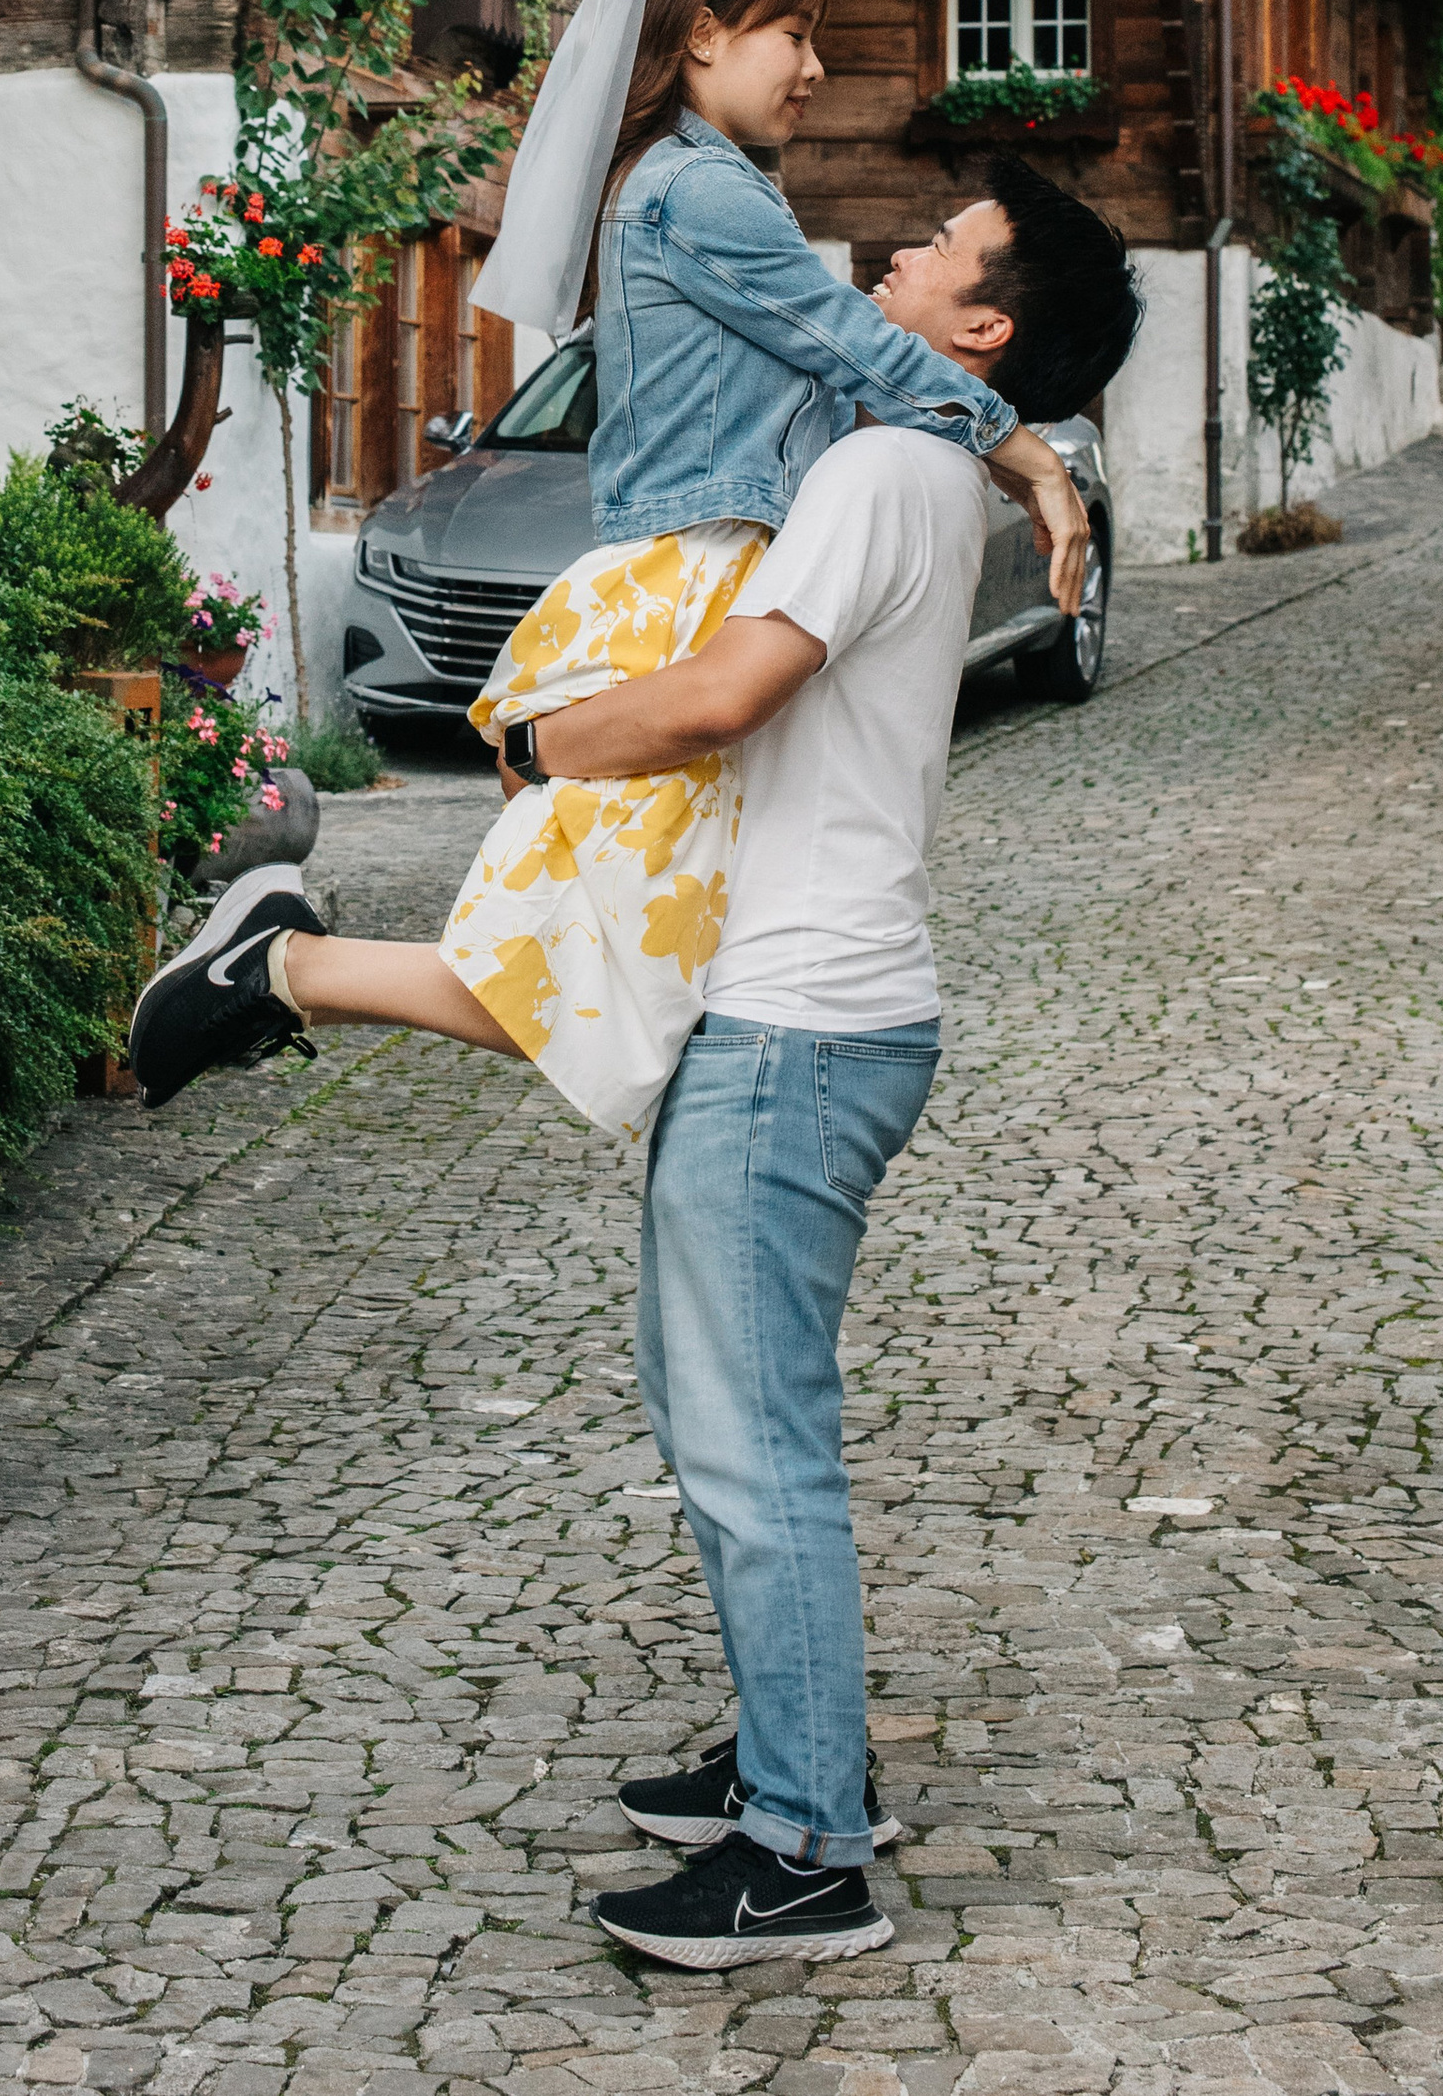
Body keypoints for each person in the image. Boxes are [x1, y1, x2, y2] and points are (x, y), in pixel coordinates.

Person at [136, 156, 1144, 1976]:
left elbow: (714, 695)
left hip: (800, 1027)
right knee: (731, 1420)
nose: (895, 250)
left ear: (981, 320)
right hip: (816, 1010)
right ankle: (794, 1753)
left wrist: (533, 730)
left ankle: (807, 1852)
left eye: (938, 245)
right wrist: (1033, 449)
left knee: (753, 1446)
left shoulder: (870, 472)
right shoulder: (911, 452)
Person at [132, 0, 1089, 1131]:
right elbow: (844, 340)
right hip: (684, 580)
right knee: (622, 972)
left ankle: (279, 969)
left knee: (626, 968)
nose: (813, 67)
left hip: (694, 573)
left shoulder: (707, 185)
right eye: (791, 33)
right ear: (699, 36)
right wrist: (1025, 452)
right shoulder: (696, 191)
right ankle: (279, 968)